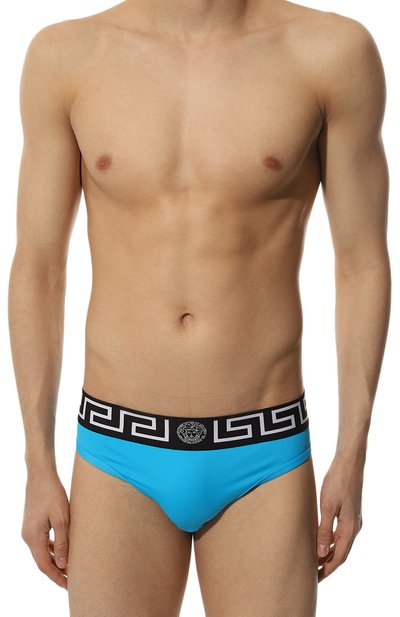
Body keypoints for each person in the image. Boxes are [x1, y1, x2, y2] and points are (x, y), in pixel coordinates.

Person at [8, 1, 391, 615]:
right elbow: (38, 267)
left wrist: (353, 453)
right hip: (115, 450)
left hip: (264, 453)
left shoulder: (329, 53)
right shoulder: (67, 56)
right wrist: (36, 462)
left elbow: (361, 262)